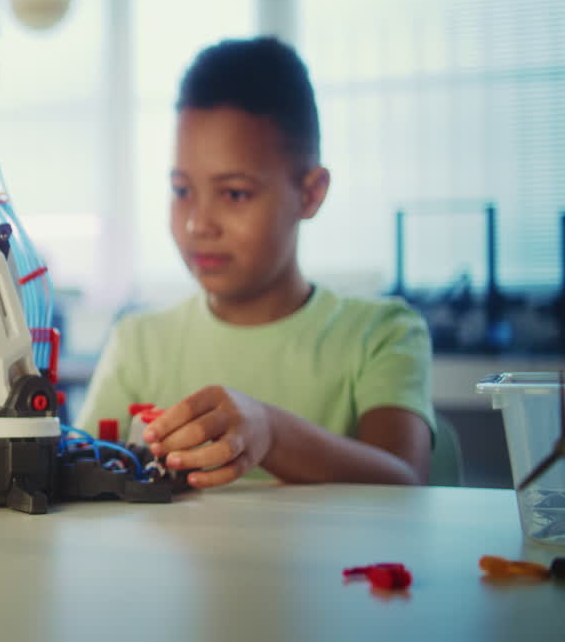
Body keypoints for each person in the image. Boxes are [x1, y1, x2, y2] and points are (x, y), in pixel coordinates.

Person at [75, 36, 435, 488]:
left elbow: (405, 482)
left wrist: (272, 432)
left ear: (310, 193)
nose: (198, 224)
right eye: (182, 191)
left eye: (234, 193)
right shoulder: (137, 343)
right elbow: (76, 477)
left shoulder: (382, 334)